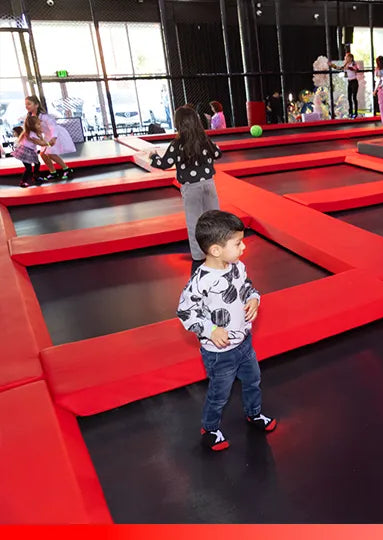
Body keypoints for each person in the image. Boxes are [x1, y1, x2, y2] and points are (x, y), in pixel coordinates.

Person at [177, 210, 277, 451]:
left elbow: (247, 287)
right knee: (219, 394)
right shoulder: (200, 281)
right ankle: (210, 429)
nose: (243, 248)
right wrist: (210, 330)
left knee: (253, 381)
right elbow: (186, 312)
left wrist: (254, 299)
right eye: (238, 243)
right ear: (216, 250)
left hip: (244, 342)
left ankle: (254, 414)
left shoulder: (236, 267)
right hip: (219, 352)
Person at [148, 107, 222, 272]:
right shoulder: (204, 139)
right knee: (214, 218)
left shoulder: (177, 144)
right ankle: (218, 250)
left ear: (179, 124)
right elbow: (218, 154)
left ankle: (198, 256)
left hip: (190, 188)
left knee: (194, 222)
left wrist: (153, 157)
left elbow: (164, 163)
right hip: (209, 184)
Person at [25, 95, 75, 181]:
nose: (27, 106)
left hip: (56, 134)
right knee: (42, 154)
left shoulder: (44, 116)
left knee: (50, 153)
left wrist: (54, 138)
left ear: (36, 105)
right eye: (26, 104)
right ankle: (53, 172)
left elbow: (53, 127)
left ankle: (67, 169)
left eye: (29, 104)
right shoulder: (31, 117)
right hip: (48, 136)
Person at [12, 117, 48, 188]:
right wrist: (49, 143)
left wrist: (41, 136)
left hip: (30, 151)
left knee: (37, 164)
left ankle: (35, 177)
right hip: (25, 151)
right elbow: (41, 143)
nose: (40, 126)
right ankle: (23, 182)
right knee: (28, 168)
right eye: (38, 124)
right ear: (32, 125)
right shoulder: (31, 134)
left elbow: (41, 141)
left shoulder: (33, 133)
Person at [332, 53, 359, 118]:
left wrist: (349, 68)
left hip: (354, 81)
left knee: (354, 97)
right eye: (345, 57)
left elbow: (356, 69)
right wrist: (333, 66)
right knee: (349, 97)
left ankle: (355, 112)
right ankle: (350, 112)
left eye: (347, 57)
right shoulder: (346, 64)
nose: (345, 59)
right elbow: (340, 68)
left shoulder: (354, 64)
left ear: (350, 58)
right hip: (349, 82)